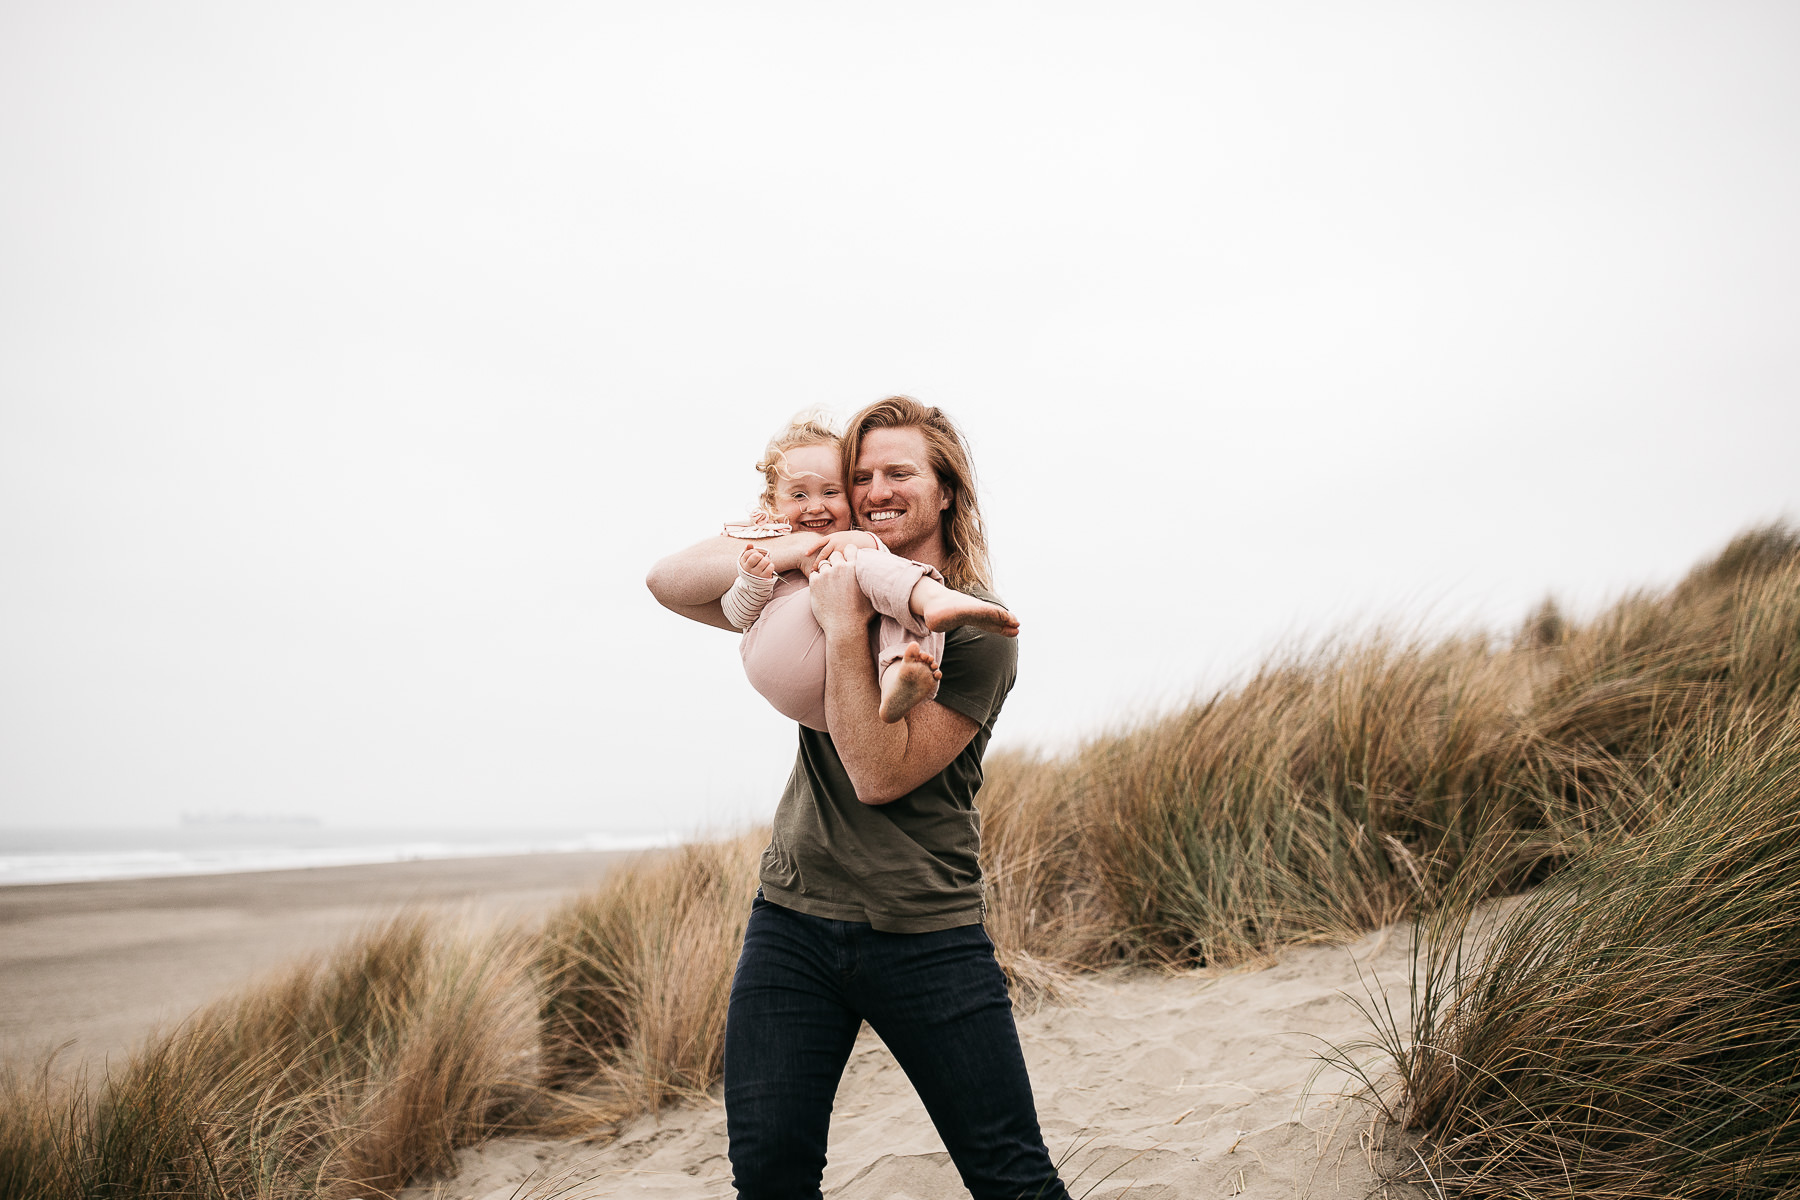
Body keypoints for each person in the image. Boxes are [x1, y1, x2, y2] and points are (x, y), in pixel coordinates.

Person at [646, 396, 1070, 1200]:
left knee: (1010, 1177)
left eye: (898, 473)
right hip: (792, 919)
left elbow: (877, 776)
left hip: (924, 930)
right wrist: (801, 545)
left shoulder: (979, 635)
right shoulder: (815, 584)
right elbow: (671, 582)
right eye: (861, 476)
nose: (876, 491)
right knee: (769, 1175)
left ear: (946, 491)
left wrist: (845, 629)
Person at [722, 414, 1019, 727]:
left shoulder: (979, 637)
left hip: (832, 702)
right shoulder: (768, 540)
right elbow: (728, 609)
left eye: (831, 492)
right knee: (869, 562)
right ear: (771, 502)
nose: (815, 506)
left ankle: (897, 676)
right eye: (798, 495)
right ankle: (930, 597)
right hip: (775, 652)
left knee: (886, 595)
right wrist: (751, 581)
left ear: (946, 493)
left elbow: (877, 765)